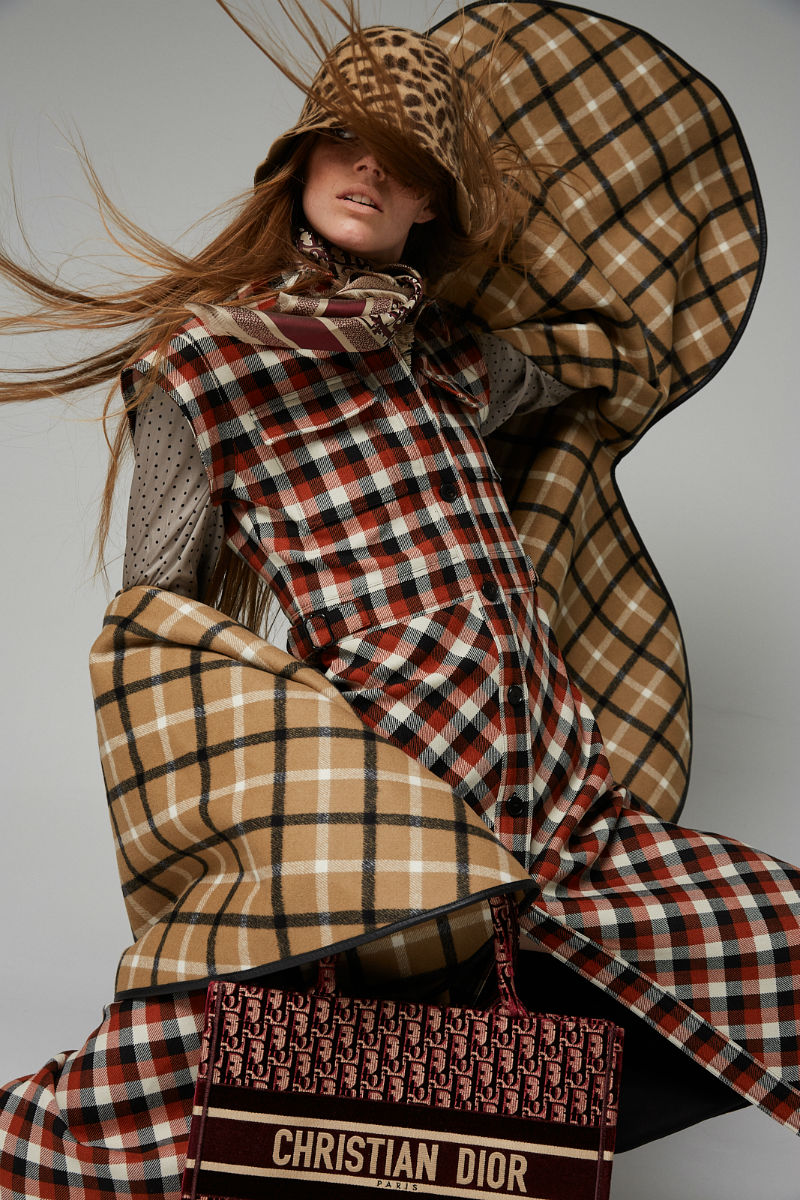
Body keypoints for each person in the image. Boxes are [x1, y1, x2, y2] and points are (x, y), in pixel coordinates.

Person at [0, 4, 798, 1196]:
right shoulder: (206, 360)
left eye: (405, 162)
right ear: (299, 161)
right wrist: (273, 783)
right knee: (198, 1064)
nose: (369, 172)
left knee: (761, 950)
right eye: (346, 142)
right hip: (392, 782)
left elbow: (611, 356)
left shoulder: (454, 359)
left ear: (433, 203)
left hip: (551, 779)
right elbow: (157, 618)